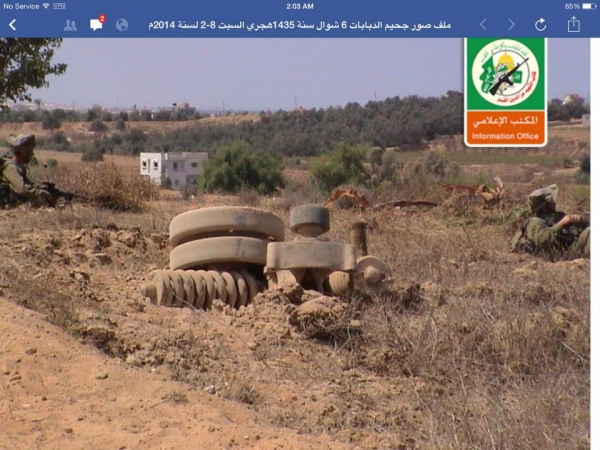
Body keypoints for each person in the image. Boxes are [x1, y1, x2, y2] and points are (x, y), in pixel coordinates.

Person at [511, 184, 590, 260]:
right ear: (545, 205)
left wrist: (581, 220)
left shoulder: (556, 215)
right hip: (562, 254)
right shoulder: (534, 222)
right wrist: (562, 223)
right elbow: (543, 240)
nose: (554, 203)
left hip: (571, 246)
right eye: (552, 201)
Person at [0, 134, 56, 207]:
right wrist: (40, 192)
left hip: (13, 199)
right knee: (40, 199)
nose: (32, 154)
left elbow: (26, 184)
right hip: (7, 203)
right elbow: (22, 189)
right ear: (22, 153)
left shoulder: (17, 166)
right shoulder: (11, 167)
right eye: (29, 152)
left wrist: (40, 187)